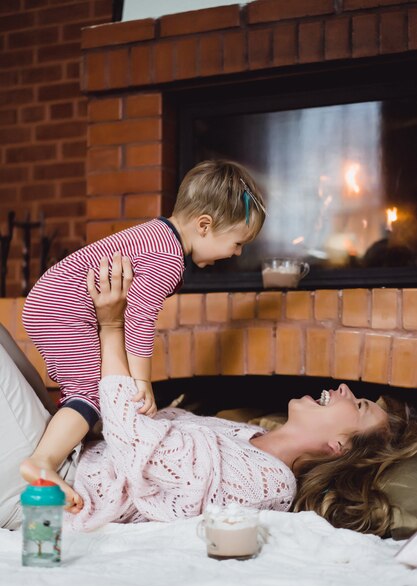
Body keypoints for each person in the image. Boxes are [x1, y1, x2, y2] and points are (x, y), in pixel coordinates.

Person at [62, 255, 414, 536]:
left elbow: (134, 443)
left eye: (360, 405)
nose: (346, 390)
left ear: (340, 445)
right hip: (67, 450)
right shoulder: (248, 435)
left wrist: (111, 327)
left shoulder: (267, 485)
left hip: (60, 490)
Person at [19, 160, 266, 513]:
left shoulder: (157, 234)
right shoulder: (168, 257)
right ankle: (43, 461)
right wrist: (141, 381)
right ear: (204, 226)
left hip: (52, 300)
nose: (238, 253)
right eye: (238, 243)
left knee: (87, 386)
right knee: (91, 390)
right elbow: (139, 320)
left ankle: (72, 436)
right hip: (64, 306)